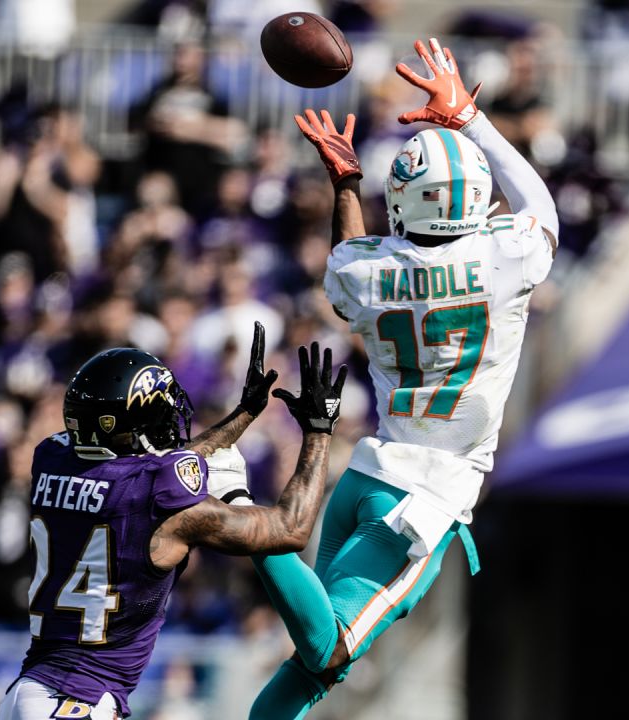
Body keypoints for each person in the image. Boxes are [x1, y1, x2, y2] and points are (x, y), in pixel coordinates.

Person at [229, 38, 560, 718]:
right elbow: (541, 205)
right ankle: (238, 511)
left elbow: (349, 256)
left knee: (313, 669)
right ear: (473, 194)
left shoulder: (370, 272)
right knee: (331, 652)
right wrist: (469, 117)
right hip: (421, 503)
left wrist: (345, 185)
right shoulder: (506, 257)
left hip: (369, 475)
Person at [0, 323, 346, 719]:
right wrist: (319, 430)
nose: (168, 425)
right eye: (158, 416)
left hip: (32, 688)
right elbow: (290, 529)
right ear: (125, 432)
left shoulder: (52, 459)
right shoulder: (157, 500)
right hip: (76, 700)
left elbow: (135, 475)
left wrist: (243, 415)